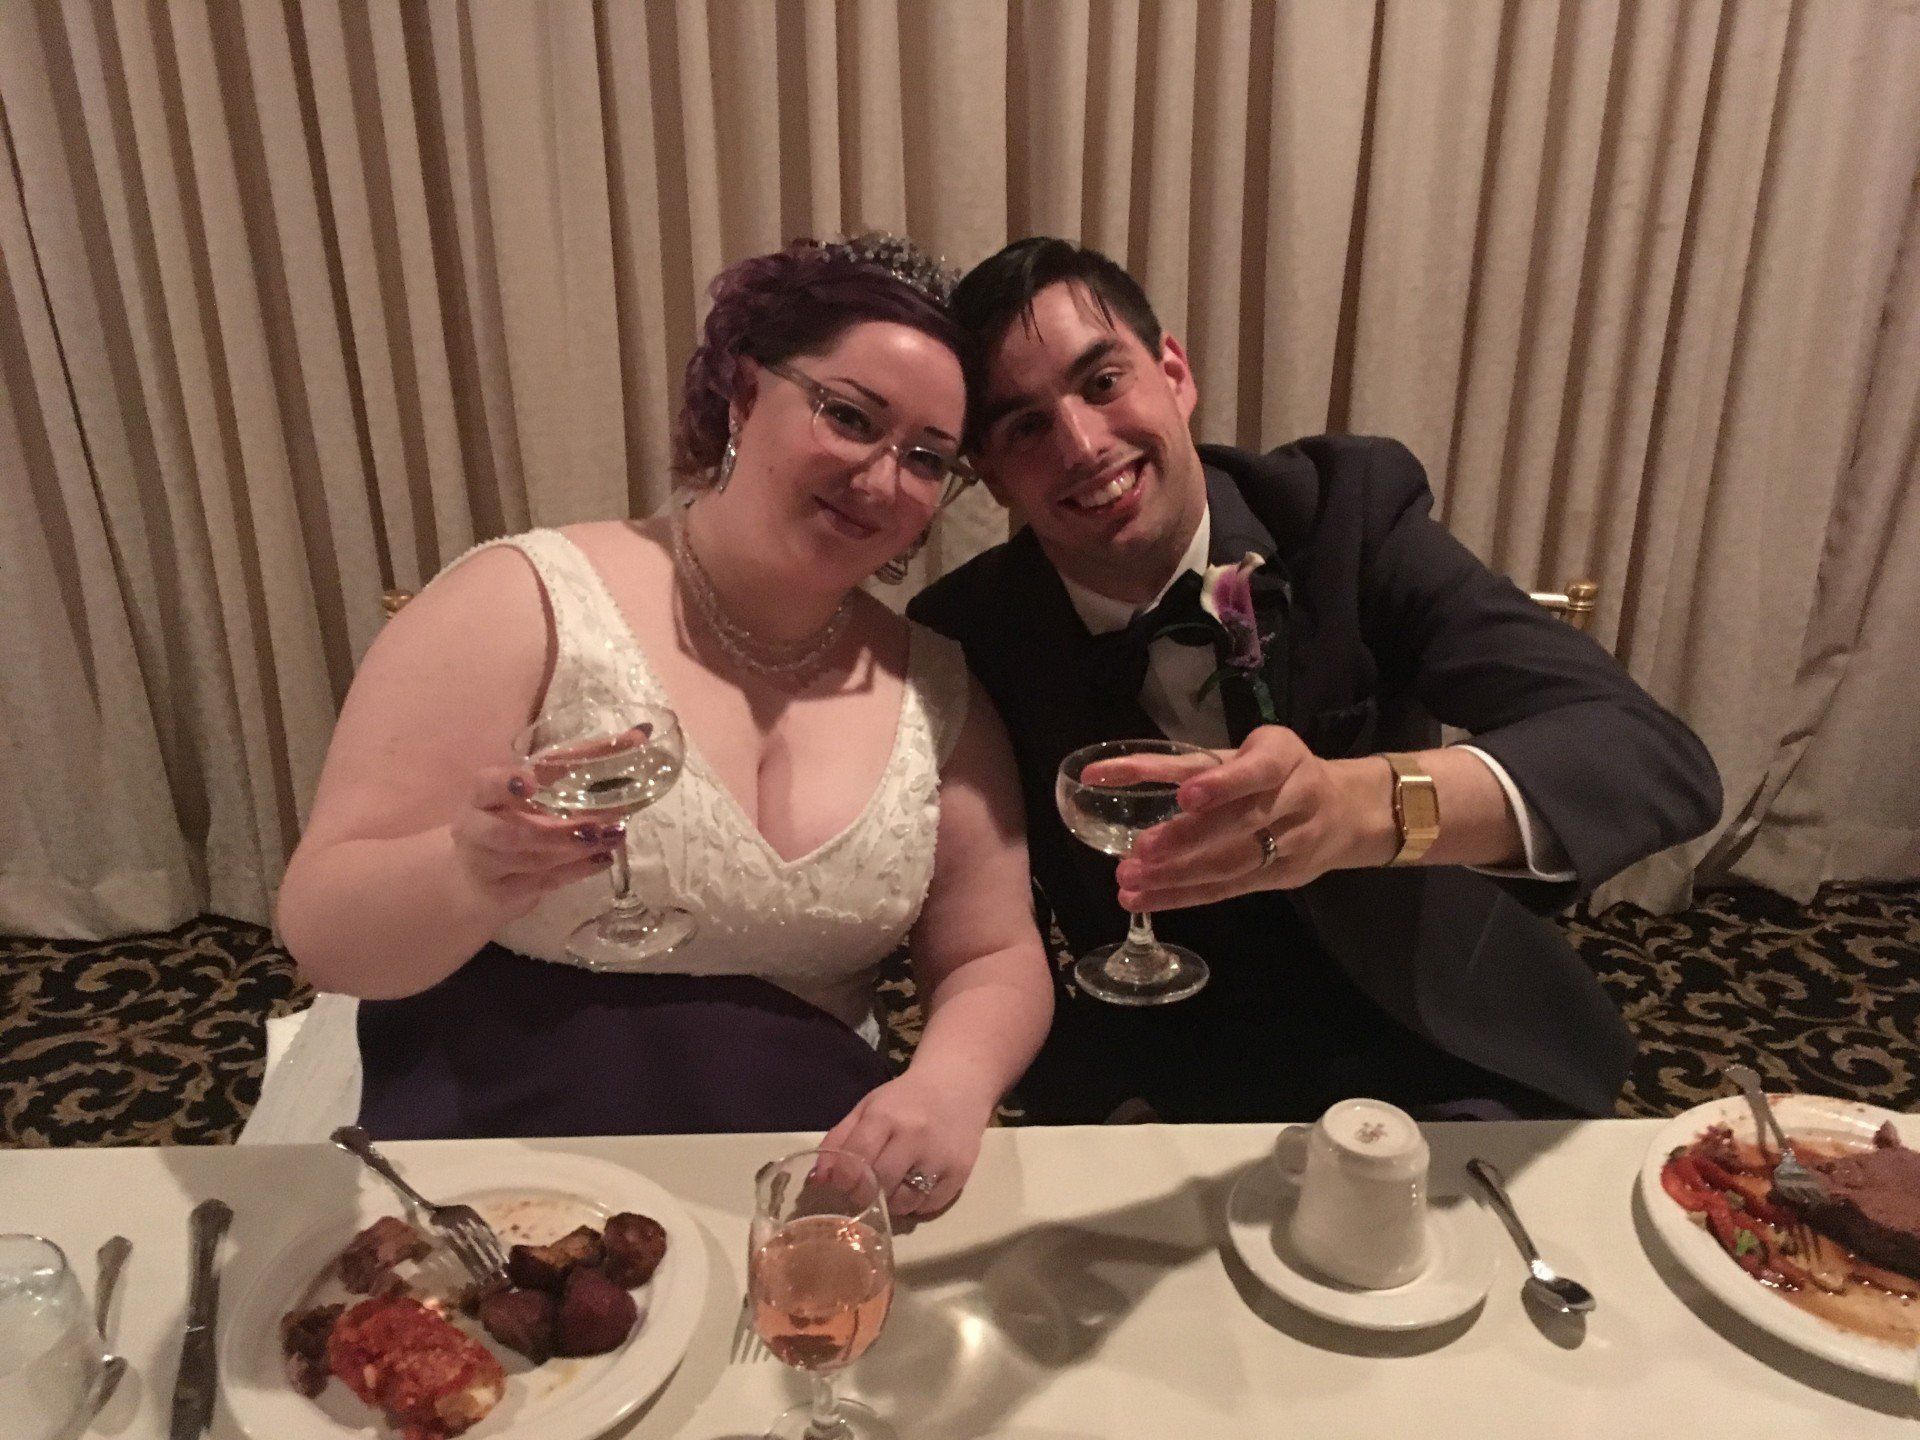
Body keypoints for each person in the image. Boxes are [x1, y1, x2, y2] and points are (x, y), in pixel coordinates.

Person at [266, 236, 1053, 1217]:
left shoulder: (936, 685)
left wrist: (950, 1085)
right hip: (478, 1133)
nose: (884, 479)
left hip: (788, 1156)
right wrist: (468, 872)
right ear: (744, 391)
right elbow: (324, 933)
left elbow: (991, 954)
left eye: (929, 460)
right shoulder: (521, 602)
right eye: (850, 416)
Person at [909, 237, 1722, 1124]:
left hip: (1432, 1037)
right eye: (1025, 425)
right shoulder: (965, 633)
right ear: (988, 474)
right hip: (1160, 1061)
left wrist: (1357, 808)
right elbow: (981, 931)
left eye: (1102, 382)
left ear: (1173, 372)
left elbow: (1646, 754)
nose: (1082, 444)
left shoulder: (1345, 515)